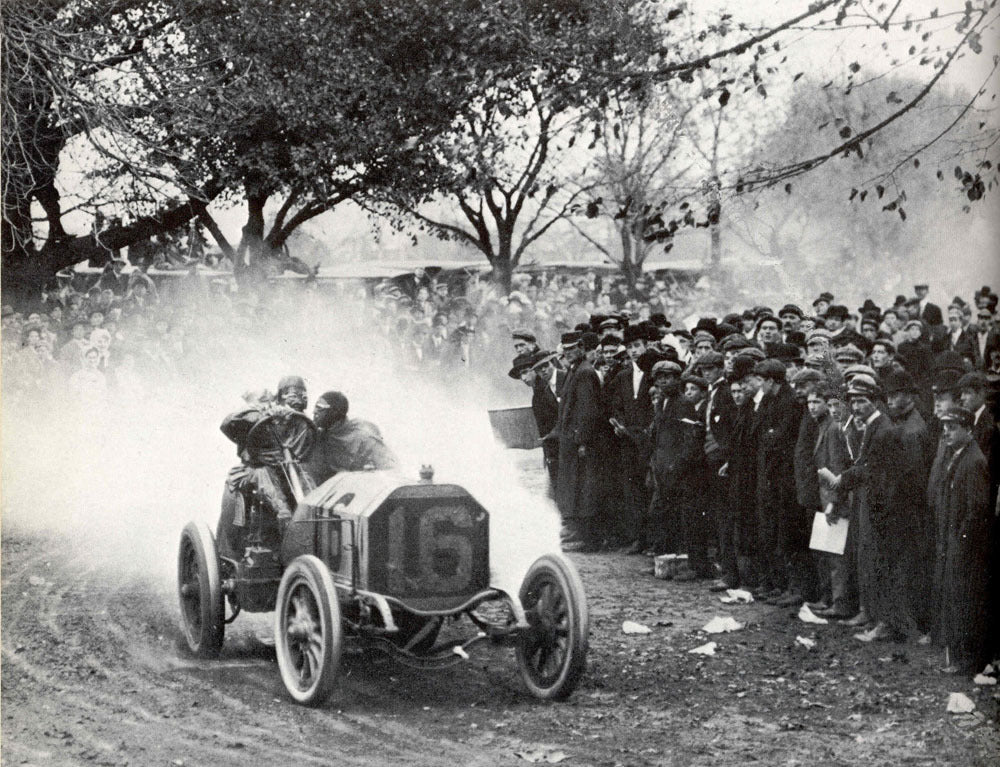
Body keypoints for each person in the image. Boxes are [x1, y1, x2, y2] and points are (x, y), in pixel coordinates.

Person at [927, 406, 991, 676]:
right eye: (945, 427)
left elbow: (977, 510)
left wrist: (961, 542)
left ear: (968, 429)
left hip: (964, 548)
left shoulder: (974, 461)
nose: (947, 433)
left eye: (953, 427)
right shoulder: (956, 457)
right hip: (950, 542)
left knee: (965, 601)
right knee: (952, 600)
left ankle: (967, 660)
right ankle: (955, 656)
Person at [555, 331, 603, 551]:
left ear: (582, 348)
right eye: (565, 350)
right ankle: (580, 535)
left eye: (573, 348)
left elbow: (588, 410)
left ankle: (587, 538)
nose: (568, 353)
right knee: (576, 487)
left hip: (579, 441)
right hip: (572, 439)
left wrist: (582, 440)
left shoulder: (585, 372)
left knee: (583, 488)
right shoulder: (575, 370)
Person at [306, 391, 397, 483]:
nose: (314, 412)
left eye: (320, 408)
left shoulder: (364, 436)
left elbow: (391, 470)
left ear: (334, 412)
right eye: (315, 407)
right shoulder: (321, 434)